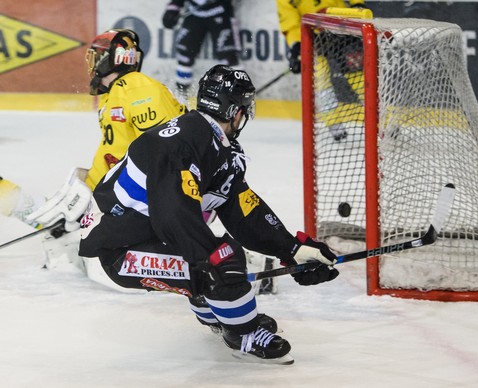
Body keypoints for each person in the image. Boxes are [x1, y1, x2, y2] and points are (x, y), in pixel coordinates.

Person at [77, 64, 340, 364]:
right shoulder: (181, 144)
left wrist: (292, 249)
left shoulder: (209, 141)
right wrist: (210, 259)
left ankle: (220, 315)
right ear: (235, 111)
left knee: (211, 255)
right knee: (221, 258)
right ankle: (243, 334)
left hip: (142, 235)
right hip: (120, 252)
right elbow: (172, 213)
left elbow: (243, 209)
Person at [14, 28, 187, 278]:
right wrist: (86, 189)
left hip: (148, 198)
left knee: (103, 258)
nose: (93, 64)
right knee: (79, 244)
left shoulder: (135, 86)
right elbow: (116, 151)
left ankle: (201, 263)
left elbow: (167, 147)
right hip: (124, 193)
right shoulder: (116, 93)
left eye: (97, 56)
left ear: (115, 58)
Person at [276, 0, 369, 140]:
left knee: (361, 79)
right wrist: (297, 46)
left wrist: (357, 4)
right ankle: (334, 124)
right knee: (320, 82)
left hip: (344, 29)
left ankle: (383, 121)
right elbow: (290, 23)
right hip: (315, 38)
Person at [161, 0, 241, 100]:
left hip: (221, 12)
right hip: (194, 14)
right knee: (184, 56)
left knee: (228, 58)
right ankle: (181, 97)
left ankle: (239, 94)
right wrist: (173, 8)